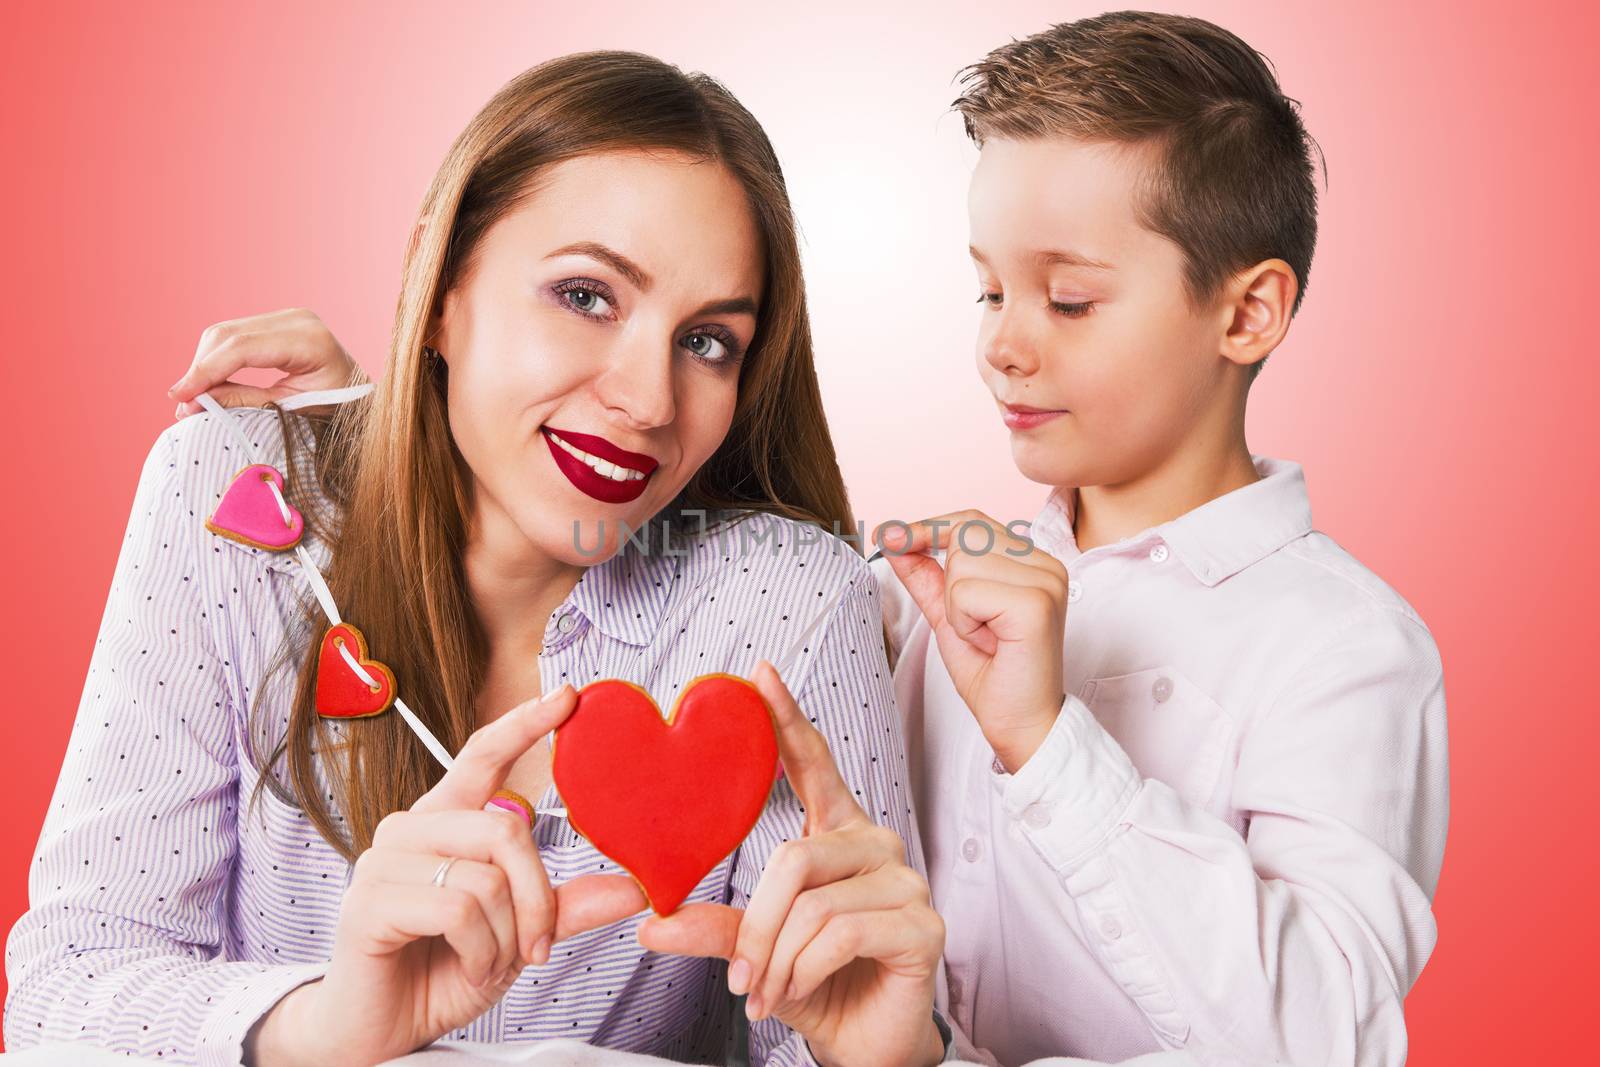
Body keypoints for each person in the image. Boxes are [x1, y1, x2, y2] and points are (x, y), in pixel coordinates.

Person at [162, 12, 1450, 1067]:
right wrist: (385, 422)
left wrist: (1050, 747)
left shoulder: (1341, 647)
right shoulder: (927, 587)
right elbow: (683, 530)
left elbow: (1320, 1035)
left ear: (1250, 312)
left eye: (1066, 296)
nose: (1002, 339)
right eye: (987, 287)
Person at [5, 51, 946, 1067]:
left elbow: (817, 1027)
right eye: (585, 294)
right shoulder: (235, 493)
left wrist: (878, 1054)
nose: (649, 401)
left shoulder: (786, 594)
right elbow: (65, 991)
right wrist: (329, 1023)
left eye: (709, 341)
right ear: (442, 287)